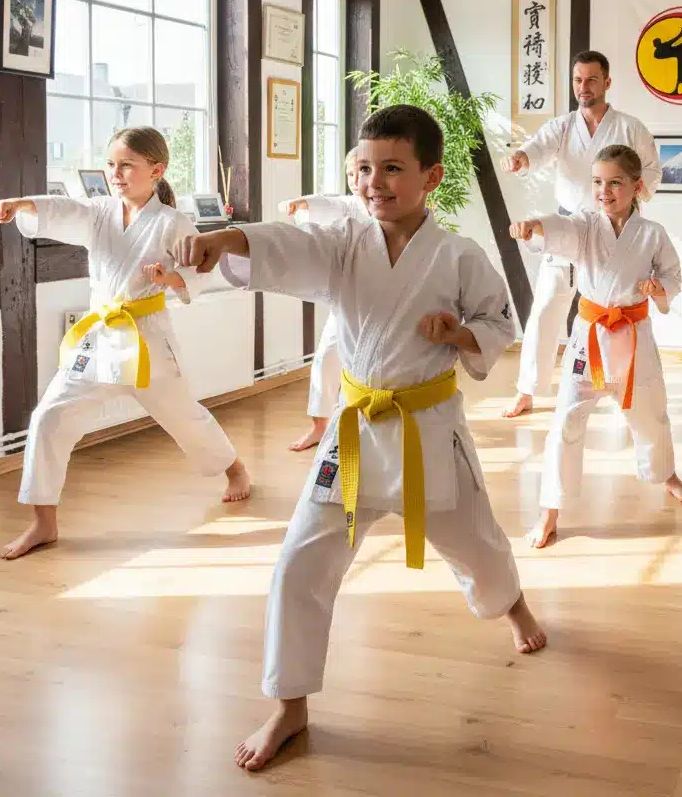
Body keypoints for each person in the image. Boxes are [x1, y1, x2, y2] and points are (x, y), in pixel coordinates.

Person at [173, 105, 547, 772]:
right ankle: (289, 704)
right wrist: (228, 239)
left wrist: (459, 333)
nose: (375, 183)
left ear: (431, 176)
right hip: (352, 436)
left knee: (477, 545)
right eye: (366, 169)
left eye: (393, 169)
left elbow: (500, 322)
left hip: (428, 432)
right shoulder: (345, 241)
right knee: (299, 564)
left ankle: (512, 607)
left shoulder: (459, 255)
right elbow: (289, 247)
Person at [0, 126, 250, 561]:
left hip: (148, 341)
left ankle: (235, 469)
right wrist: (22, 204)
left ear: (156, 170)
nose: (115, 173)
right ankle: (43, 521)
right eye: (111, 164)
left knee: (184, 416)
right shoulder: (99, 212)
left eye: (127, 165)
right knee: (50, 416)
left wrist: (170, 278)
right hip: (99, 338)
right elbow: (63, 209)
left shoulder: (172, 222)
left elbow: (200, 270)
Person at [511, 144, 682, 550]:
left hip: (634, 335)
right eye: (597, 182)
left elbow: (673, 275)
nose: (603, 191)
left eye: (614, 183)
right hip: (590, 337)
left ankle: (665, 473)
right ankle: (550, 510)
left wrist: (658, 287)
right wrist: (536, 227)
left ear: (637, 187)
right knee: (566, 420)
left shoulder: (652, 233)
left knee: (651, 414)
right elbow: (561, 229)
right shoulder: (586, 224)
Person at [502, 50, 659, 418]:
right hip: (569, 226)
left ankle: (620, 386)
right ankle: (527, 389)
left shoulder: (630, 128)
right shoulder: (562, 127)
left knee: (616, 309)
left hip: (613, 229)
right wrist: (522, 158)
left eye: (591, 79)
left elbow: (651, 171)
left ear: (607, 82)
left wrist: (629, 199)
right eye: (577, 80)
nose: (583, 87)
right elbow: (537, 148)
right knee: (546, 306)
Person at [281, 148, 367, 451]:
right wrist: (304, 202)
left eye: (362, 171)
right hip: (349, 299)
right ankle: (320, 426)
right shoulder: (352, 205)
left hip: (384, 302)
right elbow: (332, 203)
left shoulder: (394, 210)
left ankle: (368, 426)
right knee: (327, 357)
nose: (355, 180)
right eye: (350, 174)